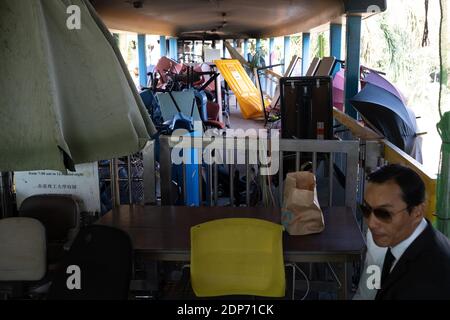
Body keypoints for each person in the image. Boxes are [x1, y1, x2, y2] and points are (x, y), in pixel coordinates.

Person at [359, 164, 450, 300]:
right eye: (366, 209)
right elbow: (370, 289)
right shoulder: (389, 240)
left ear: (417, 212)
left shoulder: (427, 281)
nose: (371, 223)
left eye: (384, 213)